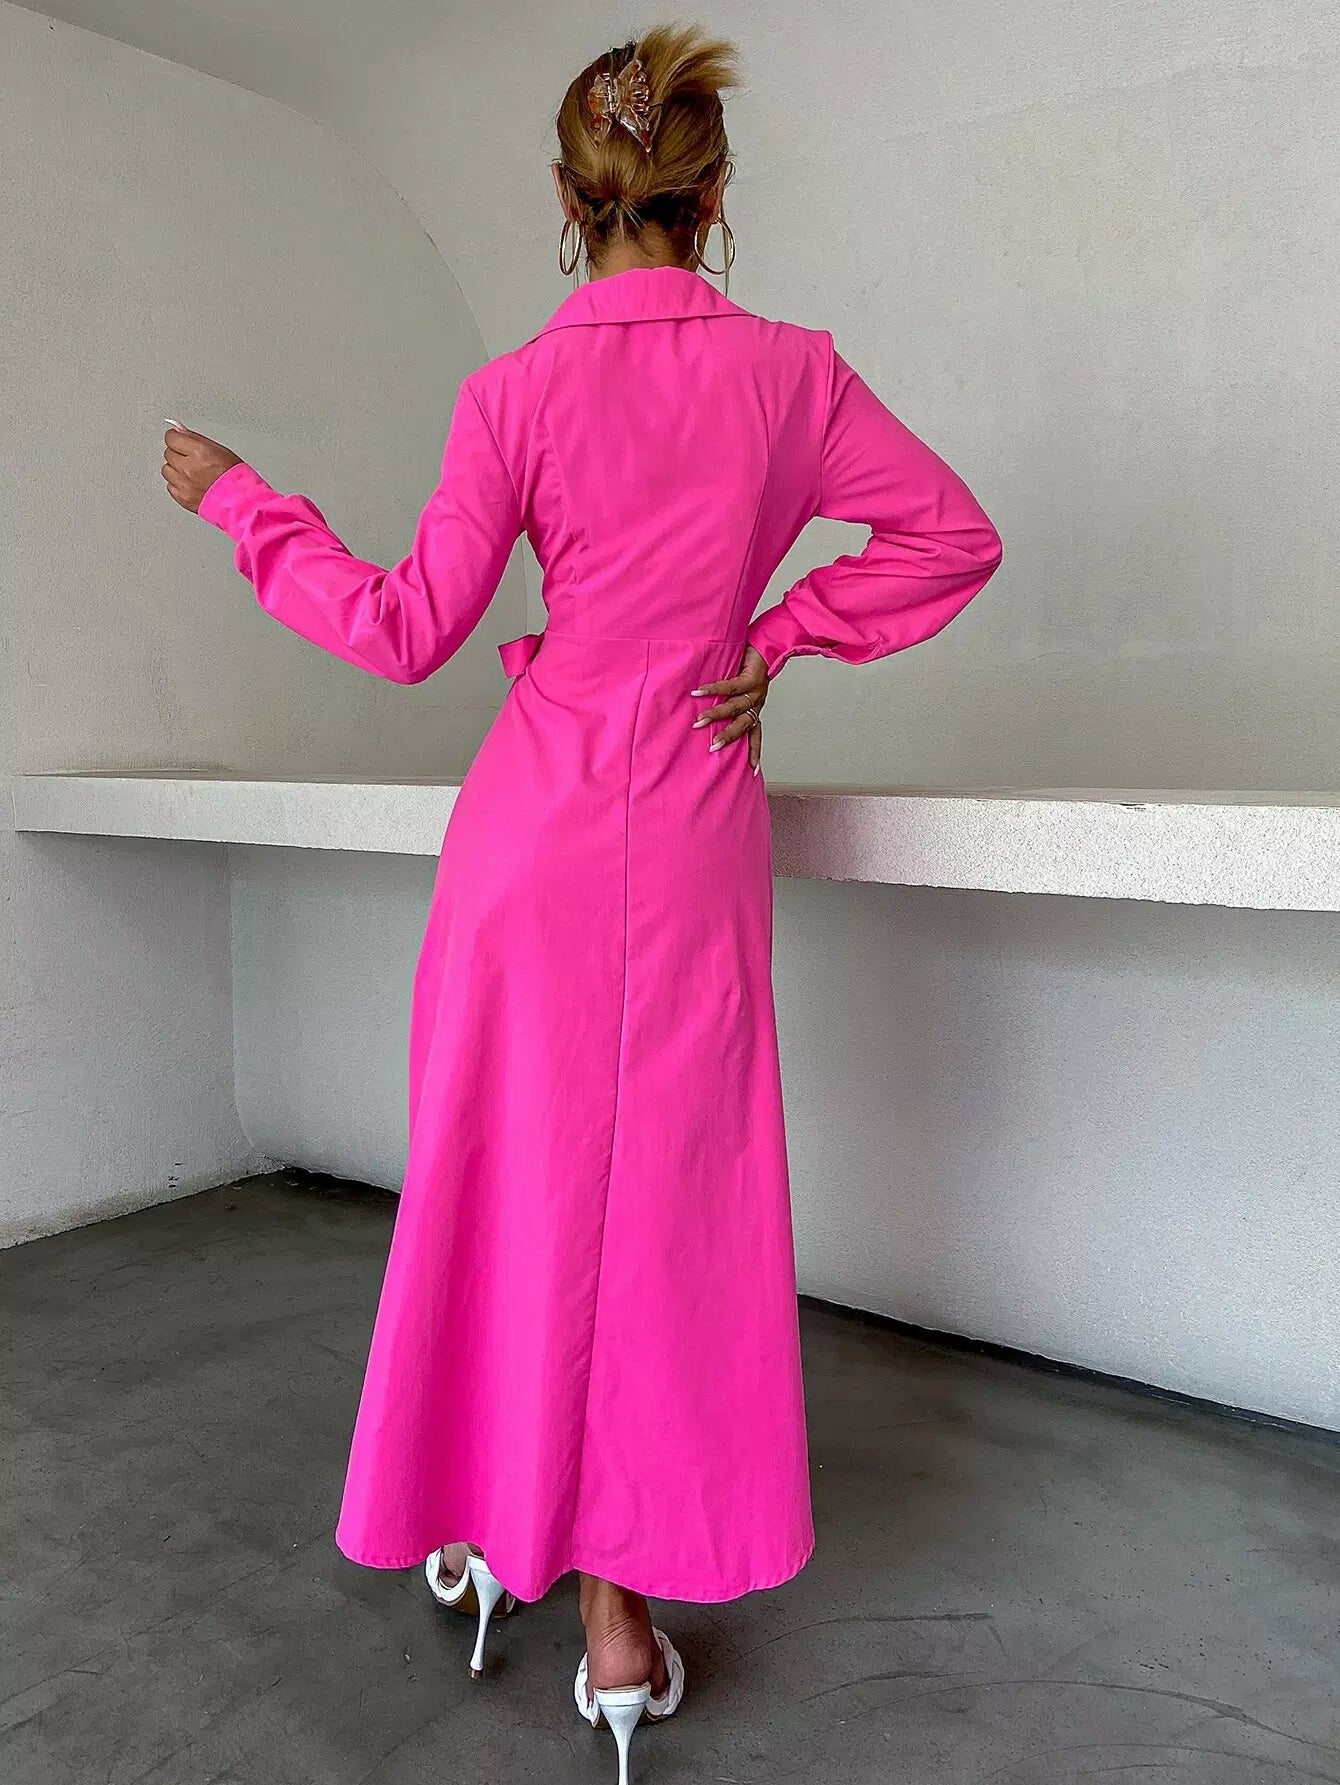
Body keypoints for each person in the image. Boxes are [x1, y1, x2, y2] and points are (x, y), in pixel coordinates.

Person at [161, 24, 1002, 1781]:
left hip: (527, 836)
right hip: (689, 827)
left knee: (507, 1178)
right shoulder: (792, 377)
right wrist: (779, 634)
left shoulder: (513, 395)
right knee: (670, 1209)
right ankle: (619, 1621)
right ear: (714, 193)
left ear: (568, 197)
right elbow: (951, 534)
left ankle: (488, 1535)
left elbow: (407, 628)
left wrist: (245, 504)